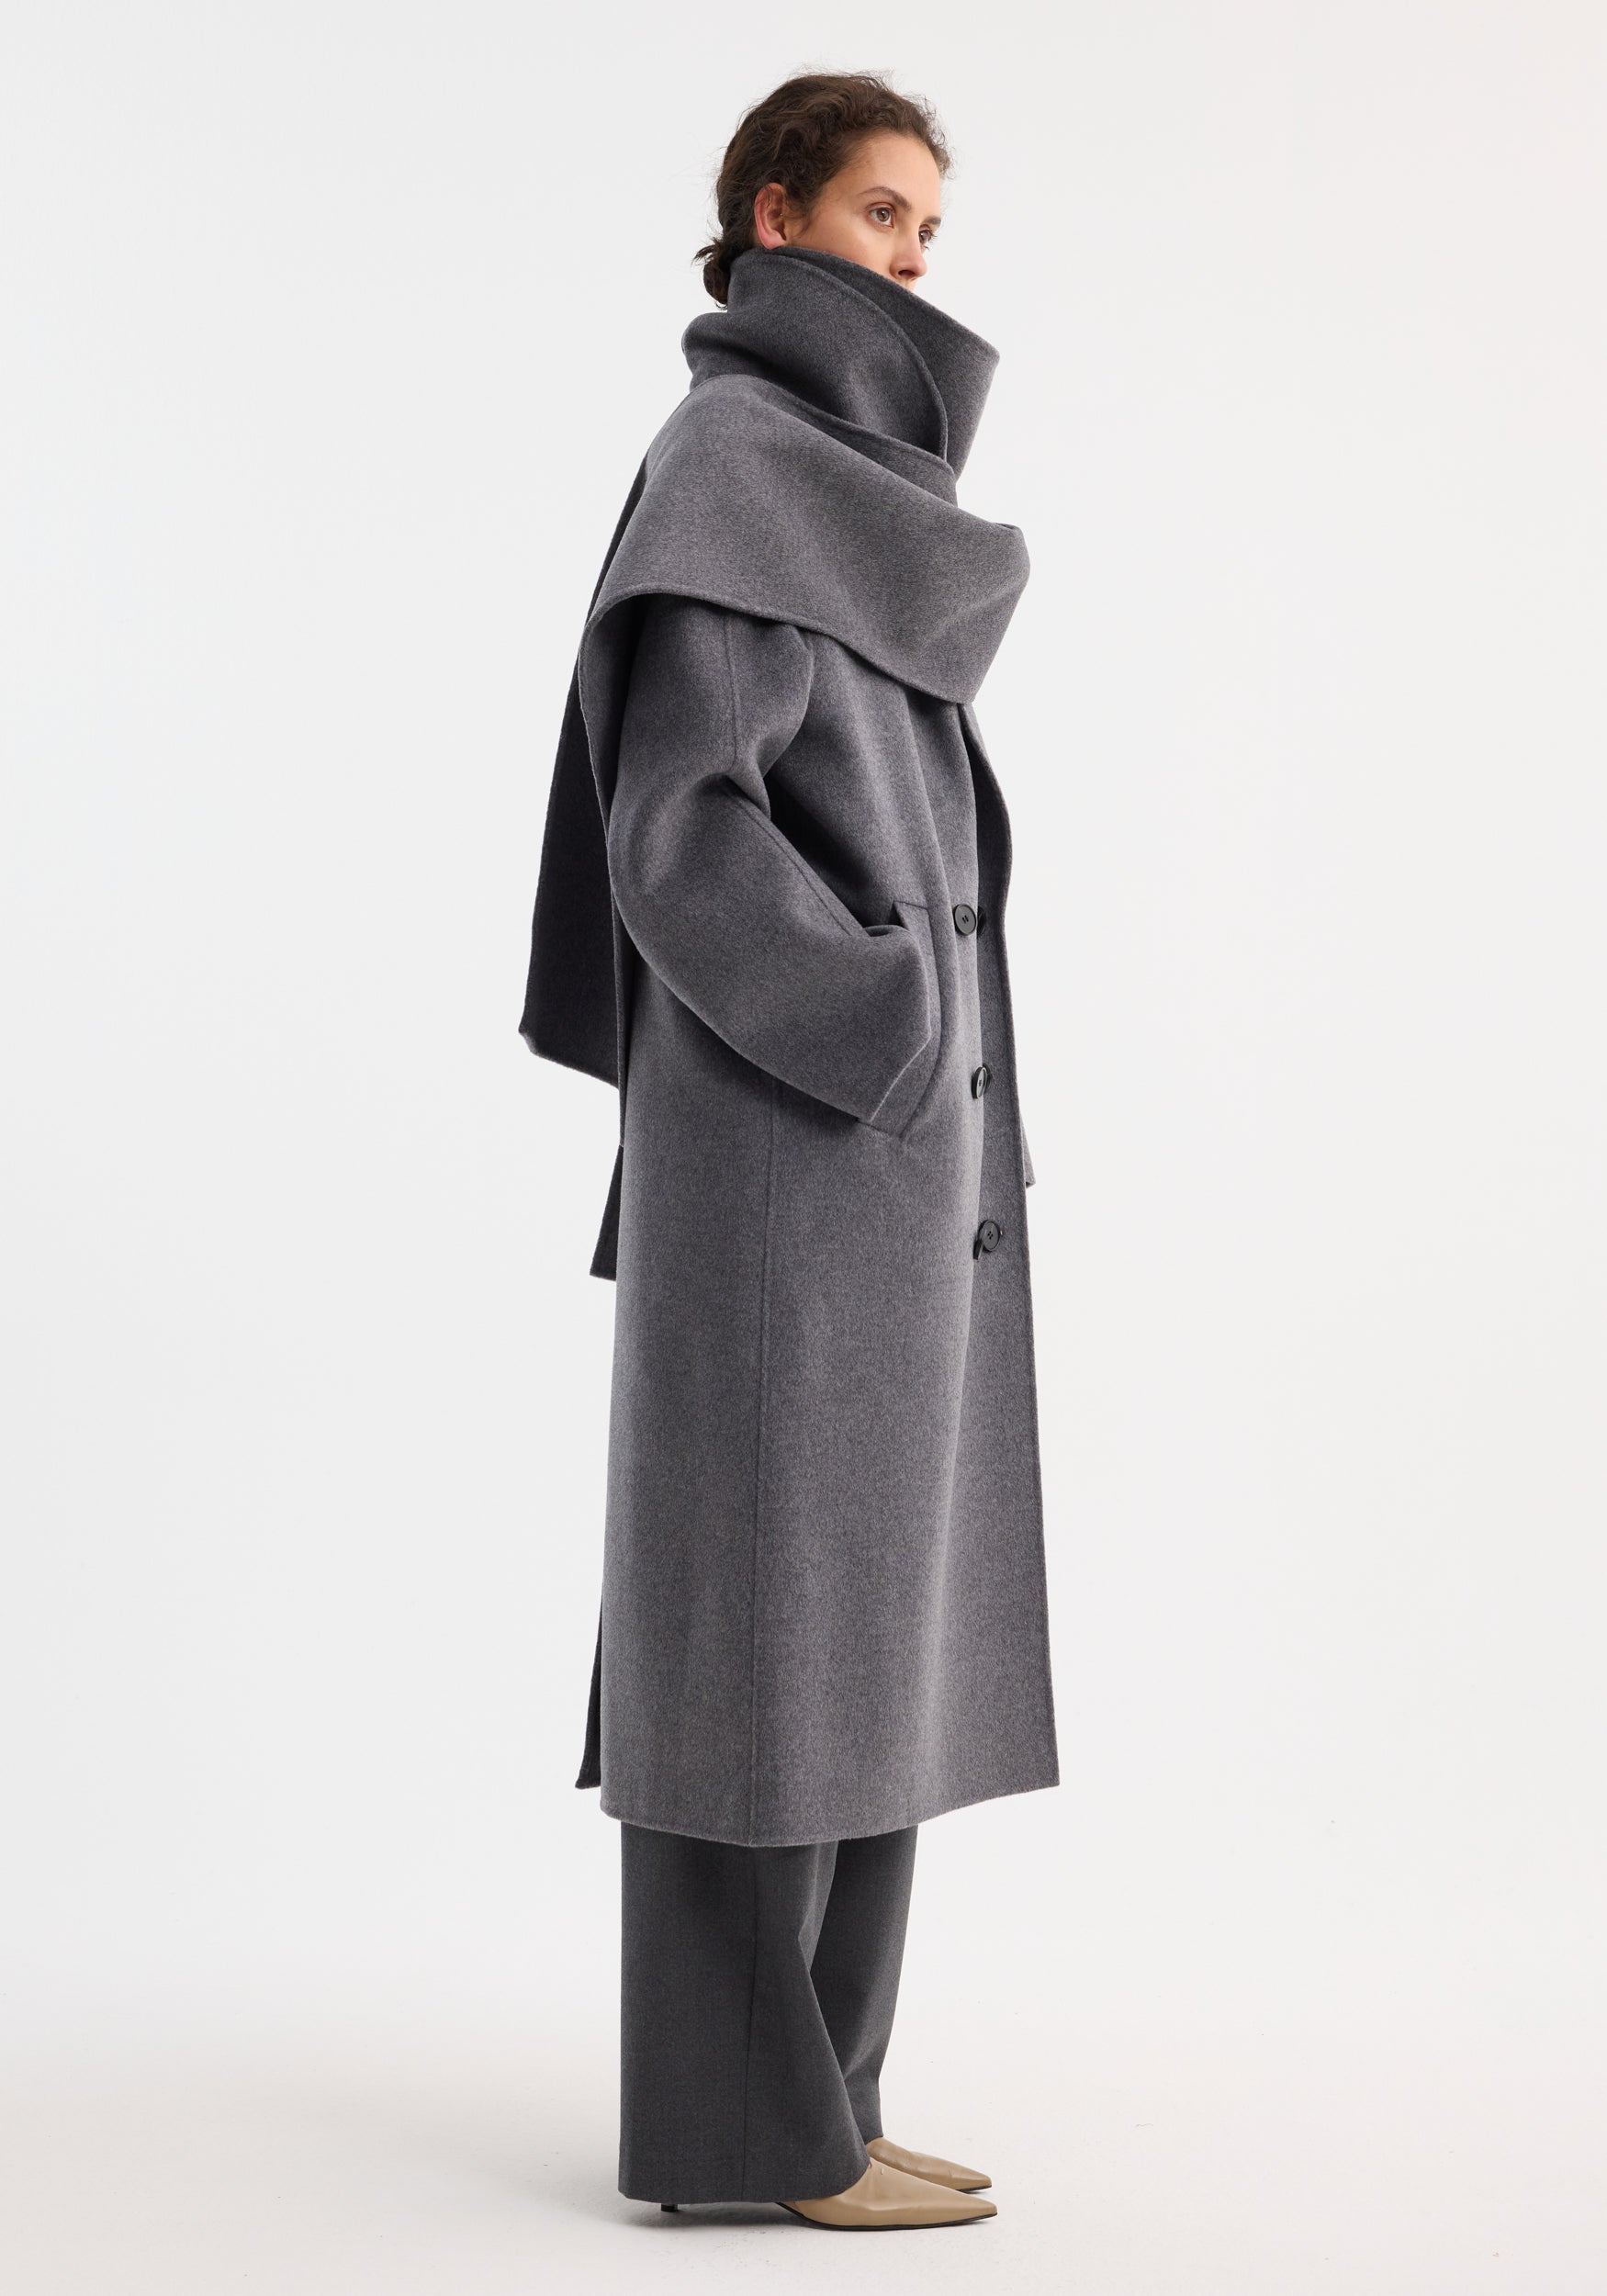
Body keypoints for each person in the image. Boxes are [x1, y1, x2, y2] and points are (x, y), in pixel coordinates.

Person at [521, 71, 1058, 2231]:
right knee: (758, 1632)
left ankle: (824, 2096)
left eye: (926, 225)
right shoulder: (738, 466)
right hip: (785, 1157)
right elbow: (679, 827)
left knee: (864, 1633)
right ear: (771, 218)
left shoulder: (836, 495)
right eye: (874, 214)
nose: (910, 257)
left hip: (883, 1174)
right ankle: (751, 2137)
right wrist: (890, 1020)